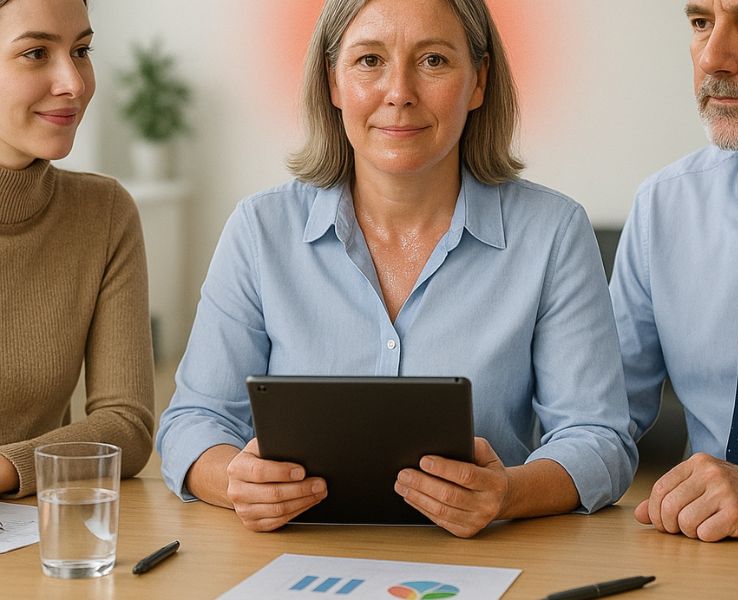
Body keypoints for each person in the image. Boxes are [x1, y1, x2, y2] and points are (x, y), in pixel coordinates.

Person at [157, 0, 636, 538]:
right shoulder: (259, 230)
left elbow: (599, 440)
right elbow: (191, 423)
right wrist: (235, 482)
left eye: (433, 60)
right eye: (369, 61)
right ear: (333, 83)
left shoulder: (553, 232)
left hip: (485, 563)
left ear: (478, 82)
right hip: (296, 561)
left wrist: (508, 495)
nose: (399, 92)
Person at [610, 0, 738, 541]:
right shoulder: (663, 207)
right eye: (700, 23)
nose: (712, 58)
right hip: (700, 552)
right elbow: (601, 416)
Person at [0, 0, 155, 498]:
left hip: (31, 539)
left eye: (82, 50)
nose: (75, 83)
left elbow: (127, 428)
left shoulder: (102, 212)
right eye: (36, 53)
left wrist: (6, 469)